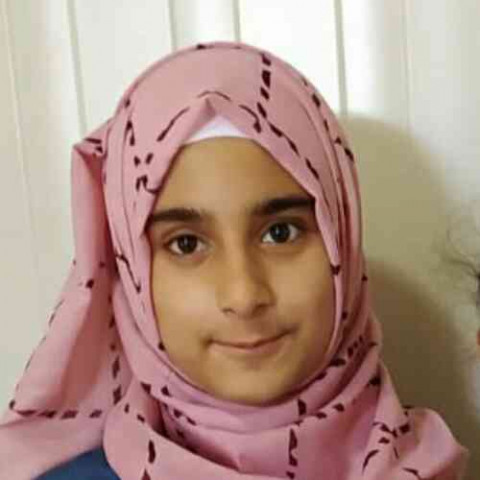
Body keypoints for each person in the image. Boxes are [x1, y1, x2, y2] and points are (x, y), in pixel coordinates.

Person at [0, 40, 468, 479]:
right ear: (132, 273)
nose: (244, 296)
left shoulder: (432, 466)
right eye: (186, 244)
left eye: (280, 233)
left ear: (342, 241)